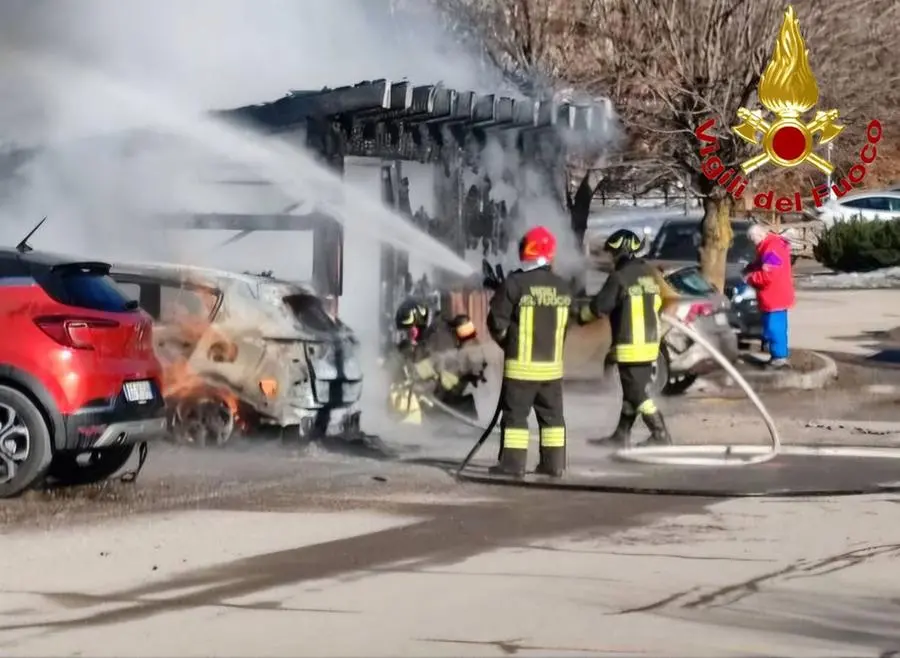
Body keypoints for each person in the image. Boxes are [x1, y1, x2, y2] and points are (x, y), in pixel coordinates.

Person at [486, 225, 573, 478]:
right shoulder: (563, 287)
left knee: (515, 419)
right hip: (552, 369)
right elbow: (565, 326)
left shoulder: (514, 284)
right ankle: (554, 464)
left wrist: (506, 343)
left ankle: (512, 466)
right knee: (552, 419)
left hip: (521, 368)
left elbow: (496, 323)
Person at [579, 228, 671, 447]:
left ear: (622, 252)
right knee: (632, 394)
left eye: (613, 253)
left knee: (636, 392)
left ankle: (660, 434)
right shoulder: (648, 275)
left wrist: (579, 316)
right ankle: (621, 435)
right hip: (649, 344)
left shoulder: (619, 278)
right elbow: (659, 303)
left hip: (630, 344)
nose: (611, 258)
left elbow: (600, 307)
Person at [744, 224, 795, 369]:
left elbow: (768, 274)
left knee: (775, 327)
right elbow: (762, 264)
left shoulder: (772, 248)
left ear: (760, 235)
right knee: (773, 326)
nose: (753, 243)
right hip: (774, 295)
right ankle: (776, 355)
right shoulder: (769, 245)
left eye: (753, 240)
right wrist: (751, 268)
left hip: (775, 296)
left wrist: (750, 277)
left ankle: (780, 358)